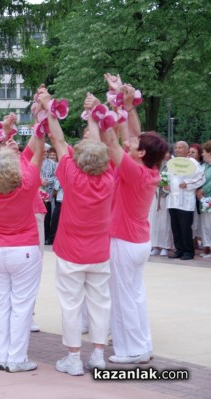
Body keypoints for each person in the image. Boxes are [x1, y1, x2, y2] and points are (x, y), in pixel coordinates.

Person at [44, 87, 114, 376]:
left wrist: (49, 107)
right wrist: (93, 116)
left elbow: (58, 139)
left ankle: (73, 358)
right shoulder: (109, 177)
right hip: (99, 252)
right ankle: (98, 354)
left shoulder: (71, 175)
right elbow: (97, 147)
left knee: (71, 304)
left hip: (71, 252)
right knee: (100, 303)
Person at [100, 78, 169, 365]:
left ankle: (132, 350)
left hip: (125, 242)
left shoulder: (134, 171)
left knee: (124, 298)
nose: (132, 142)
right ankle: (141, 345)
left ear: (141, 153)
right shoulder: (147, 170)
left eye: (137, 144)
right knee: (135, 296)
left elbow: (113, 141)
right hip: (137, 242)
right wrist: (125, 104)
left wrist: (105, 113)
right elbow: (130, 137)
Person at [0, 112, 45, 372]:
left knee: (0, 303)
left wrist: (4, 132)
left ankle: (3, 357)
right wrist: (40, 121)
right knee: (21, 306)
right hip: (23, 250)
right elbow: (38, 153)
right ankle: (17, 359)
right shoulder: (26, 183)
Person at [166, 141, 205, 260]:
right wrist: (165, 186)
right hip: (173, 199)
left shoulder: (192, 163)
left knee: (185, 227)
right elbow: (166, 177)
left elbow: (201, 178)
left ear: (187, 150)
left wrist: (187, 184)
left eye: (180, 148)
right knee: (175, 227)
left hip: (186, 199)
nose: (177, 150)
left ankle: (189, 251)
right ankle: (179, 249)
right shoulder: (172, 163)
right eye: (176, 148)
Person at [149, 151, 173, 256]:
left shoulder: (172, 164)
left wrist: (164, 184)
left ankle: (165, 246)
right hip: (153, 196)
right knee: (153, 221)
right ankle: (155, 245)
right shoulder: (153, 163)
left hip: (165, 196)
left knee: (165, 222)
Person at [197, 142, 211, 258]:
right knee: (206, 224)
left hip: (208, 196)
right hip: (203, 200)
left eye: (204, 152)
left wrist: (202, 190)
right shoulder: (204, 166)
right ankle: (208, 247)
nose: (202, 154)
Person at [42, 146, 58, 245]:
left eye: (45, 151)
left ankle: (47, 236)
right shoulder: (34, 161)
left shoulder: (52, 163)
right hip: (35, 192)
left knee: (47, 216)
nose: (44, 153)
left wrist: (47, 181)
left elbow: (56, 176)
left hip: (48, 193)